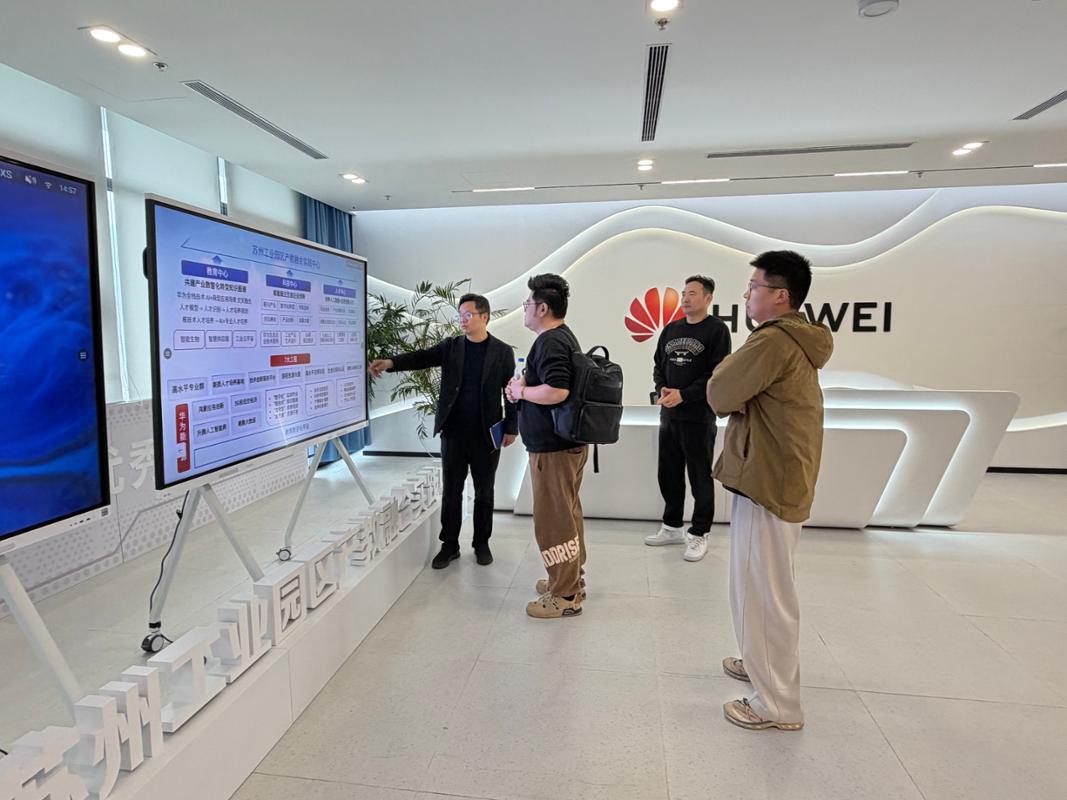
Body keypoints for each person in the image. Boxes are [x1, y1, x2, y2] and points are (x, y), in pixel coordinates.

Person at [707, 250, 833, 732]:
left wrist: (735, 393)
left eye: (754, 286)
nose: (746, 294)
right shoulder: (792, 339)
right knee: (758, 582)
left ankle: (777, 703)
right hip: (770, 474)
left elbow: (719, 391)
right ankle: (759, 662)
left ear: (781, 296)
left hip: (768, 479)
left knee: (765, 591)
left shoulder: (774, 341)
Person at [369, 293, 516, 569]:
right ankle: (449, 545)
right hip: (454, 433)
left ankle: (481, 543)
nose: (463, 320)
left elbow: (510, 393)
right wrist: (390, 363)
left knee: (485, 491)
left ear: (484, 317)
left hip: (486, 435)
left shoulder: (502, 352)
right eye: (460, 315)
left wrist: (512, 427)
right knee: (452, 491)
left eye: (468, 315)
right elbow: (421, 358)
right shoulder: (451, 347)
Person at [505, 273, 587, 619]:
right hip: (565, 444)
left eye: (527, 303)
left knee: (554, 520)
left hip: (552, 449)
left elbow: (557, 390)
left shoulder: (551, 341)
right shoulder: (560, 337)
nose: (524, 309)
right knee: (567, 514)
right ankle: (569, 579)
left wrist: (522, 391)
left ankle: (565, 594)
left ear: (542, 308)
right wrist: (522, 386)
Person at [645, 275, 732, 562]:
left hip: (698, 417)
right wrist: (662, 389)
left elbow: (717, 374)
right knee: (668, 474)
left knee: (699, 476)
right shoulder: (671, 329)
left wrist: (685, 395)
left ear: (708, 298)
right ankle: (672, 526)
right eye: (684, 293)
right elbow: (659, 365)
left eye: (692, 293)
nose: (685, 298)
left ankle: (699, 533)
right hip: (669, 415)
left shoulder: (717, 331)